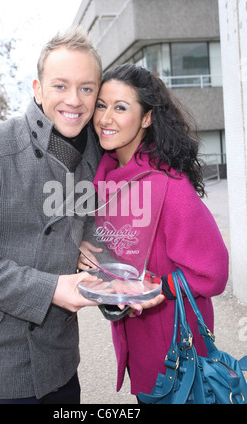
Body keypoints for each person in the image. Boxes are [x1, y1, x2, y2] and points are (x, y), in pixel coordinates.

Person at [0, 27, 103, 404]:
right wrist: (48, 289)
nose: (74, 99)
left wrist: (102, 264)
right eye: (60, 86)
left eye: (86, 88)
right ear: (37, 88)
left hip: (60, 359)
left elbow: (95, 232)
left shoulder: (98, 157)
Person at [78, 63, 229, 400]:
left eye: (120, 107)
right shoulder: (103, 179)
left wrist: (158, 286)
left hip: (176, 348)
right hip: (136, 340)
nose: (105, 118)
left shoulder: (168, 186)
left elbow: (214, 273)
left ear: (146, 118)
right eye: (101, 105)